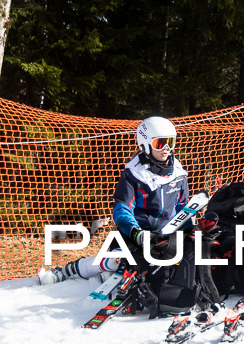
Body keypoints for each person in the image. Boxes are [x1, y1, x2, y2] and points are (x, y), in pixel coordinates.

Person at [39, 116, 190, 285]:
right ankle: (66, 272)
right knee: (116, 259)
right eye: (160, 143)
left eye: (171, 142)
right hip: (134, 236)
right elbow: (122, 209)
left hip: (164, 237)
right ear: (146, 144)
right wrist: (136, 233)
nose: (167, 149)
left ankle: (116, 273)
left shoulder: (178, 174)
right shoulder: (134, 174)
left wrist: (189, 230)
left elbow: (182, 208)